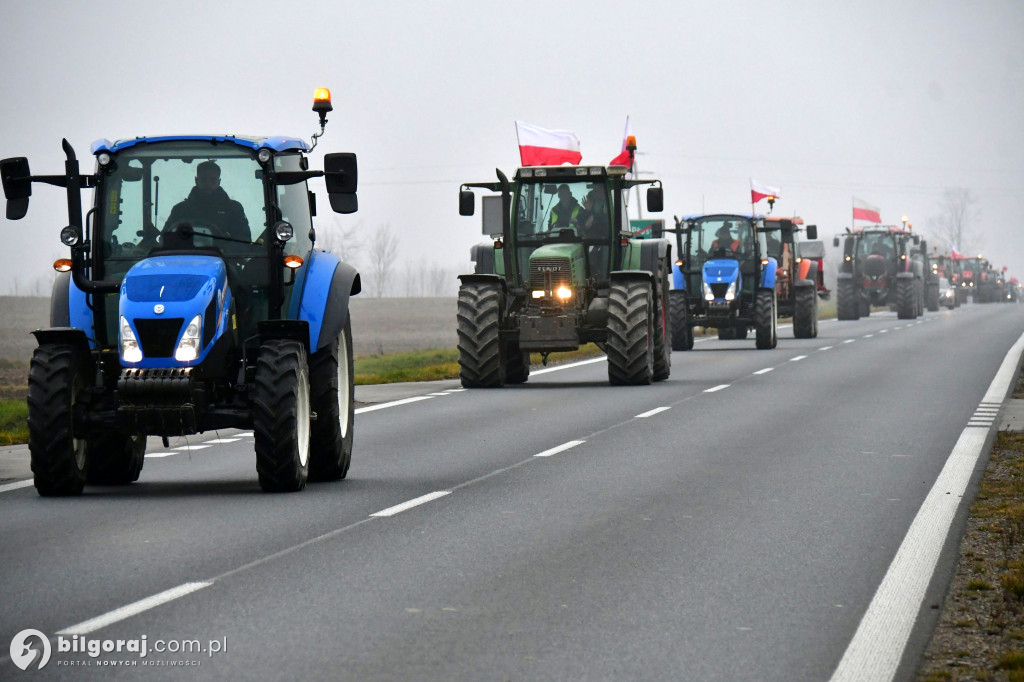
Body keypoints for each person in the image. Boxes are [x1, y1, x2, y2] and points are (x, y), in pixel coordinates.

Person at [163, 161, 251, 242]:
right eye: (204, 179)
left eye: (213, 180)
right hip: (187, 258)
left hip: (224, 258)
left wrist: (223, 247)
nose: (208, 184)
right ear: (196, 181)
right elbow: (164, 239)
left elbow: (244, 241)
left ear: (219, 182)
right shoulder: (179, 210)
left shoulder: (233, 209)